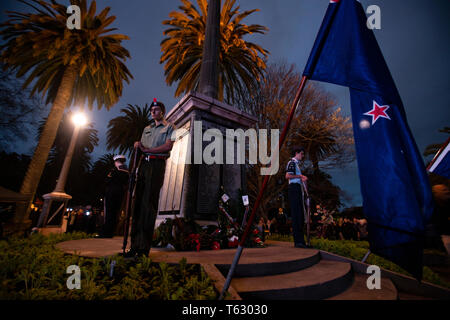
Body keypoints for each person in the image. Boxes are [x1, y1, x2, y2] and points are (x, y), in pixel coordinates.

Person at [124, 99, 175, 258]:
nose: (153, 112)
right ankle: (133, 247)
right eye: (152, 110)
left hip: (157, 165)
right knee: (138, 205)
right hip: (144, 165)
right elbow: (141, 148)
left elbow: (168, 146)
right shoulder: (147, 128)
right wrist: (137, 145)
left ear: (163, 111)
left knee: (149, 205)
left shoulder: (169, 127)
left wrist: (148, 149)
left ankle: (143, 249)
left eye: (157, 109)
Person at [97, 155, 129, 238]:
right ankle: (111, 232)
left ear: (116, 162)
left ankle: (105, 233)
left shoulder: (114, 171)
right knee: (115, 213)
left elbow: (107, 181)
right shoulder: (126, 171)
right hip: (120, 193)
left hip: (111, 193)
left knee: (109, 213)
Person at [285, 146, 308, 248]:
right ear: (297, 153)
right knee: (296, 214)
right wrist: (300, 176)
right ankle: (298, 241)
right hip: (294, 188)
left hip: (297, 189)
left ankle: (301, 241)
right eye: (301, 154)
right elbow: (287, 176)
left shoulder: (296, 164)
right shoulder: (292, 163)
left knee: (300, 215)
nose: (302, 156)